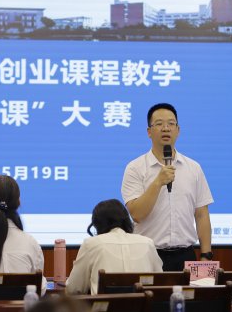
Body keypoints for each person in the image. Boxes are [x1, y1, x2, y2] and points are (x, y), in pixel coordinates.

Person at [121, 103, 213, 271]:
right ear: (149, 132)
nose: (165, 128)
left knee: (195, 290)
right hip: (146, 255)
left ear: (178, 130)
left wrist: (206, 255)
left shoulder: (193, 168)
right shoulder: (135, 168)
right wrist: (158, 182)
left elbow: (201, 214)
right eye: (159, 124)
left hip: (186, 255)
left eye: (171, 124)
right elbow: (137, 214)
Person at [65, 199, 163, 295]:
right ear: (127, 220)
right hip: (143, 304)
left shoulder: (91, 244)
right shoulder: (147, 243)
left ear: (97, 224)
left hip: (105, 305)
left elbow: (73, 289)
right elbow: (160, 283)